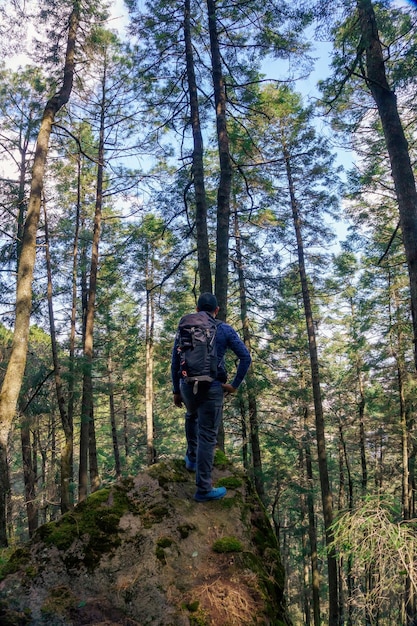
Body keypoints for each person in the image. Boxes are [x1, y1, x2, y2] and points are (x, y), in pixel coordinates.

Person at [171, 293, 251, 502]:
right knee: (207, 435)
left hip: (187, 385)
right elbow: (245, 357)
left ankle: (191, 459)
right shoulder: (224, 329)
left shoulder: (185, 328)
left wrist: (176, 390)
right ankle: (204, 489)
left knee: (191, 415)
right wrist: (233, 385)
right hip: (212, 387)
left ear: (197, 310)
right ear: (216, 311)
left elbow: (175, 360)